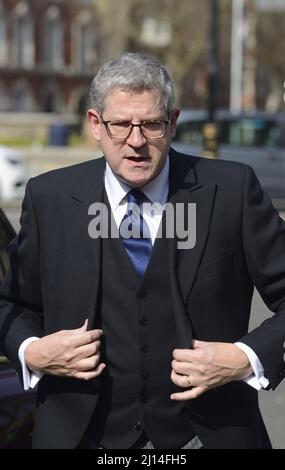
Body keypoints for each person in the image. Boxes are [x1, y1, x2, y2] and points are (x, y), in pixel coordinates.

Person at [0, 53, 285, 450]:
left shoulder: (233, 191)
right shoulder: (49, 197)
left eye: (151, 124)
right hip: (78, 437)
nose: (136, 142)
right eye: (120, 125)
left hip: (209, 436)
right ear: (96, 125)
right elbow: (10, 304)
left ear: (172, 122)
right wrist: (32, 351)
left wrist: (247, 357)